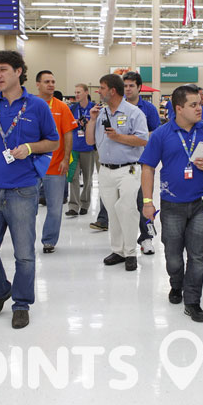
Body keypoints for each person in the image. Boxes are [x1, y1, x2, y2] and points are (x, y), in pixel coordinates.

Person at [0, 50, 59, 329]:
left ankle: (21, 303)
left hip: (23, 190)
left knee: (24, 253)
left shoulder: (38, 107)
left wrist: (29, 148)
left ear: (18, 72)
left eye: (3, 69)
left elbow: (52, 142)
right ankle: (0, 290)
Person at [139, 85, 203, 322]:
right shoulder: (161, 134)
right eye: (193, 105)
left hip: (201, 203)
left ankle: (193, 301)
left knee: (198, 256)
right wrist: (148, 202)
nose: (200, 108)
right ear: (178, 108)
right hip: (171, 205)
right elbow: (148, 167)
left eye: (200, 103)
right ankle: (176, 283)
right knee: (173, 257)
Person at [86, 73, 148, 271]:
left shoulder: (134, 113)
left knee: (128, 209)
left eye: (102, 88)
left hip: (128, 169)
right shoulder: (100, 113)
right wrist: (92, 120)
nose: (99, 91)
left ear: (112, 91)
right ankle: (118, 251)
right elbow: (89, 141)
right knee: (112, 212)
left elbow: (143, 140)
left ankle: (131, 253)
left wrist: (119, 137)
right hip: (105, 170)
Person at [35, 70, 77, 254]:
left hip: (56, 166)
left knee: (54, 208)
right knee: (27, 208)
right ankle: (26, 239)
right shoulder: (29, 105)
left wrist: (66, 159)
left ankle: (49, 240)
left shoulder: (62, 107)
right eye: (46, 81)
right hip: (32, 167)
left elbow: (68, 134)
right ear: (38, 84)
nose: (51, 84)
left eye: (53, 81)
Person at [123, 71, 161, 254]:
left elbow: (156, 133)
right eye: (125, 86)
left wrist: (137, 138)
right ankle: (125, 240)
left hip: (143, 163)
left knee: (144, 202)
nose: (128, 89)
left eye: (131, 85)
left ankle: (147, 238)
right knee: (124, 204)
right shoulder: (117, 108)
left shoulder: (149, 109)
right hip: (122, 164)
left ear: (139, 87)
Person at [67, 83, 96, 217]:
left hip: (88, 148)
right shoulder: (72, 108)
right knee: (72, 177)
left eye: (79, 92)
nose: (76, 95)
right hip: (74, 147)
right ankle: (73, 205)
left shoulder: (94, 108)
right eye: (75, 92)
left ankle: (85, 203)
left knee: (87, 178)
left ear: (86, 92)